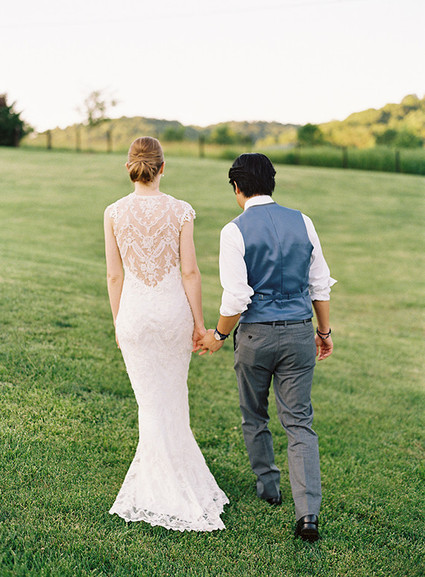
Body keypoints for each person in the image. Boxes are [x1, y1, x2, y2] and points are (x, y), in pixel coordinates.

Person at [197, 153, 335, 542]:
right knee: (299, 422)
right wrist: (324, 331)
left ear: (237, 187)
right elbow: (319, 284)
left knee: (254, 414)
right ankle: (307, 514)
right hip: (299, 334)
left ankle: (269, 486)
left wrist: (219, 336)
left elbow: (236, 297)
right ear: (271, 182)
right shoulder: (303, 221)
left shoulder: (234, 230)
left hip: (255, 337)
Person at [104, 136, 228, 532]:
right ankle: (170, 484)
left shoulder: (113, 212)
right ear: (162, 168)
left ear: (129, 168)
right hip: (173, 314)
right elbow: (189, 272)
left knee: (150, 402)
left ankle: (161, 483)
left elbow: (114, 275)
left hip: (134, 315)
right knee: (172, 398)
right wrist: (199, 324)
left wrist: (118, 321)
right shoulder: (180, 210)